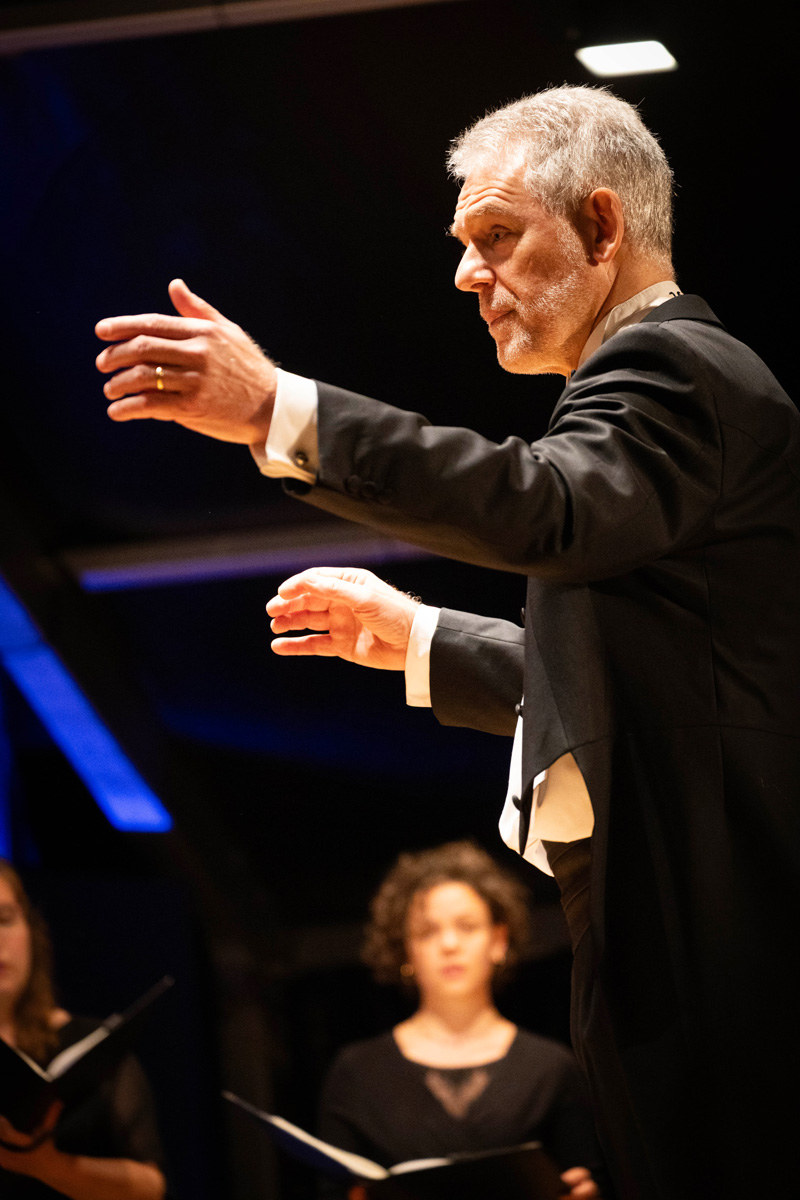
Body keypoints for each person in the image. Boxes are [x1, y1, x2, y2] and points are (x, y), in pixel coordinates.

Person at [93, 85, 800, 1199]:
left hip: (718, 919)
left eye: (498, 236)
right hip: (670, 908)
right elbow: (632, 694)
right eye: (464, 245)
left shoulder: (677, 368)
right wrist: (420, 636)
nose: (469, 275)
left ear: (602, 227)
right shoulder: (656, 391)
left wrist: (282, 410)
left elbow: (540, 505)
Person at [317, 840, 600, 1200]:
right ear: (406, 950)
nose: (449, 944)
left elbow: (589, 1176)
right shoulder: (356, 1072)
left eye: (467, 927)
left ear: (498, 940)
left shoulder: (552, 1068)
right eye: (427, 931)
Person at [0, 860, 167, 1200]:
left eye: (4, 919)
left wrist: (47, 1166)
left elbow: (153, 1187)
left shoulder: (90, 1044)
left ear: (31, 929)